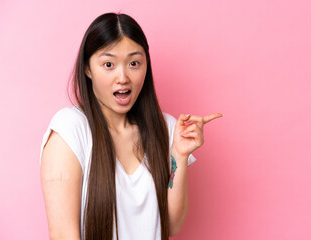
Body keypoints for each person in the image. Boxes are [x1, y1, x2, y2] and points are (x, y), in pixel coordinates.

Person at [40, 12, 222, 240]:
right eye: (108, 64)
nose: (123, 77)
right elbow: (63, 234)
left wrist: (180, 154)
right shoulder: (70, 130)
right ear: (87, 69)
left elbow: (171, 225)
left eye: (134, 63)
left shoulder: (167, 127)